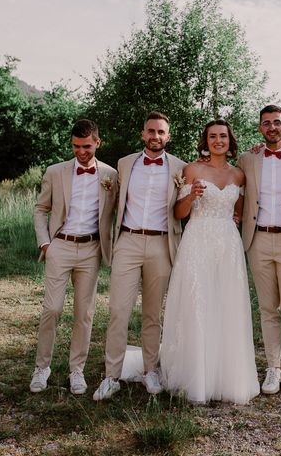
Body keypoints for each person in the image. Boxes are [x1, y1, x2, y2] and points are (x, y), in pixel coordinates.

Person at [160, 119, 260, 405]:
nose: (218, 141)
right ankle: (196, 374)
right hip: (198, 239)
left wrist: (235, 219)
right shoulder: (192, 170)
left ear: (230, 141)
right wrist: (191, 195)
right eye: (213, 136)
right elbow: (179, 213)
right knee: (198, 302)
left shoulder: (239, 175)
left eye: (223, 136)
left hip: (227, 243)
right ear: (205, 141)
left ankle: (226, 374)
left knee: (226, 303)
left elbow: (238, 210)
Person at [93, 111, 186, 400]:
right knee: (118, 310)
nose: (155, 136)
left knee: (152, 314)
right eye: (151, 131)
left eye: (161, 132)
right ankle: (111, 375)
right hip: (128, 241)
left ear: (168, 136)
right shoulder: (124, 164)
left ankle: (150, 371)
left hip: (162, 245)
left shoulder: (181, 168)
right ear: (142, 134)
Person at [31, 119, 118, 395]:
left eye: (86, 146)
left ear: (97, 143)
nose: (80, 151)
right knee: (52, 309)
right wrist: (46, 244)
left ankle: (76, 370)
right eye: (75, 146)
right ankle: (42, 367)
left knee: (85, 313)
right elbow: (40, 209)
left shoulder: (111, 175)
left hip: (91, 249)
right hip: (60, 247)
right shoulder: (55, 172)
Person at [236, 105, 281, 395]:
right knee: (268, 308)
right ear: (259, 128)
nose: (271, 128)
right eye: (266, 123)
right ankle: (273, 367)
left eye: (277, 123)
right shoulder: (248, 159)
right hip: (258, 240)